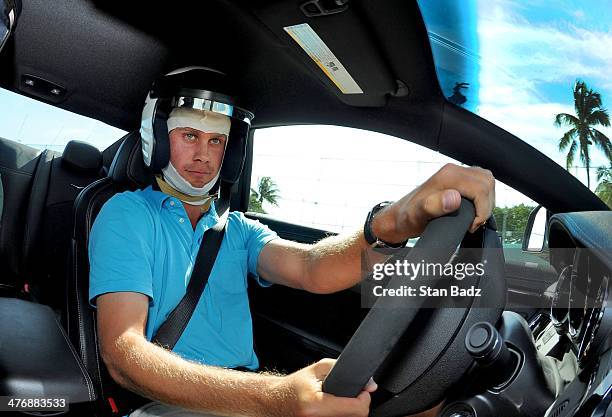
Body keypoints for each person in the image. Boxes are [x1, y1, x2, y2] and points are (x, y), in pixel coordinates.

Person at [89, 67, 495, 417]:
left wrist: (389, 225)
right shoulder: (127, 214)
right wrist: (275, 398)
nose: (205, 156)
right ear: (158, 138)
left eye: (216, 141)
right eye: (189, 136)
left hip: (246, 399)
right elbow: (123, 353)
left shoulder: (237, 230)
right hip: (167, 404)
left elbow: (312, 267)